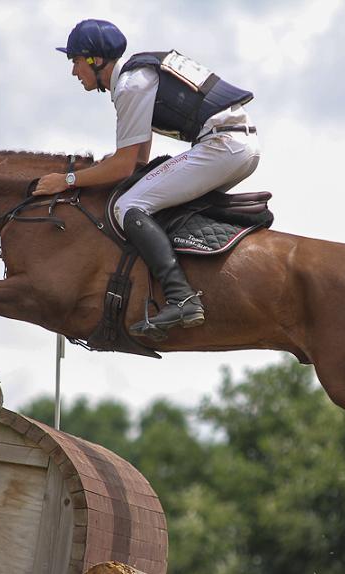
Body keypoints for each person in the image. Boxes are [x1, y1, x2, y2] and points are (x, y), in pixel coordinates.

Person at [34, 19, 261, 340]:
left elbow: (125, 165)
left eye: (74, 61)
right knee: (147, 199)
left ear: (95, 60)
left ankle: (181, 297)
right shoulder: (137, 77)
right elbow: (139, 160)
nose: (73, 72)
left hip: (223, 146)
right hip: (237, 145)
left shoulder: (130, 85)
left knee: (127, 206)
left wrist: (67, 180)